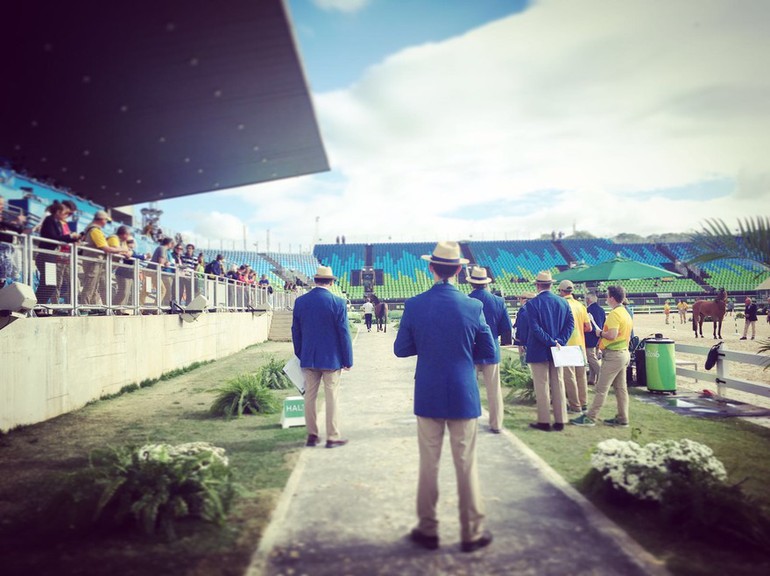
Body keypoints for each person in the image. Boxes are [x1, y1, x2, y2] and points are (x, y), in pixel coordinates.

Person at [394, 242, 496, 553]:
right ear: (460, 271)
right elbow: (489, 352)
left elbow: (401, 349)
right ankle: (472, 533)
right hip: (463, 392)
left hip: (428, 391)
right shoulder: (473, 306)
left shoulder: (415, 304)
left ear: (431, 268)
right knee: (466, 464)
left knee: (429, 464)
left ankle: (428, 529)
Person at [291, 265, 353, 449]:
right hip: (332, 359)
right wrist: (347, 359)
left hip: (308, 357)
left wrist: (300, 353)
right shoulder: (338, 302)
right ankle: (332, 437)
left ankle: (312, 435)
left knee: (309, 396)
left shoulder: (301, 302)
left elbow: (296, 331)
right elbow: (344, 334)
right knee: (331, 396)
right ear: (331, 282)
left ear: (315, 280)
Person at [516, 271, 574, 432]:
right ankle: (561, 419)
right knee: (558, 383)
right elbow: (570, 325)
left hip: (539, 349)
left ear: (537, 285)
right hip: (558, 348)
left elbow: (535, 329)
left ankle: (544, 421)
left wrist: (550, 341)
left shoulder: (532, 304)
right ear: (551, 284)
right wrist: (559, 341)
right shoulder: (563, 303)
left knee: (542, 386)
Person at [571, 285, 634, 427]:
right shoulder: (625, 312)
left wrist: (600, 333)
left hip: (614, 355)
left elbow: (611, 335)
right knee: (620, 388)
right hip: (623, 353)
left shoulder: (615, 314)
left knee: (601, 388)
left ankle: (590, 417)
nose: (606, 298)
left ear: (612, 298)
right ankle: (623, 418)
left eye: (607, 295)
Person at [467, 265, 512, 434]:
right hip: (491, 348)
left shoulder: (466, 300)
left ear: (471, 283)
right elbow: (506, 328)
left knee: (470, 389)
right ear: (486, 283)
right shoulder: (498, 301)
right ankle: (496, 424)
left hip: (470, 350)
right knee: (494, 390)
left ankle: (470, 423)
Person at [35, 201, 80, 309]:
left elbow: (57, 237)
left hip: (50, 255)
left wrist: (71, 239)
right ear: (58, 212)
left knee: (48, 285)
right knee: (48, 285)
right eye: (65, 213)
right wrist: (70, 238)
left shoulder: (55, 221)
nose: (66, 216)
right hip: (46, 255)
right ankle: (36, 307)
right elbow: (53, 237)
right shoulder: (49, 220)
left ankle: (37, 307)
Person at [79, 210, 129, 306]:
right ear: (101, 219)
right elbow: (106, 248)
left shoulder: (94, 230)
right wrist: (123, 250)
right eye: (106, 220)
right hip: (93, 261)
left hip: (95, 261)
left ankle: (92, 307)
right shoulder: (95, 231)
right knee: (90, 286)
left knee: (94, 286)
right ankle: (84, 308)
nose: (106, 222)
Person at [558, 280, 591, 414]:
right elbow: (588, 327)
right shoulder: (581, 306)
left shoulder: (560, 305)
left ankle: (574, 405)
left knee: (569, 377)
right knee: (581, 376)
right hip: (580, 345)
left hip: (566, 345)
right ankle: (584, 403)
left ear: (560, 291)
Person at [584, 292, 606, 386]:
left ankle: (602, 376)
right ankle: (592, 379)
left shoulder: (587, 310)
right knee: (595, 357)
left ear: (588, 300)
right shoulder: (601, 310)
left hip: (590, 336)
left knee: (591, 358)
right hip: (599, 336)